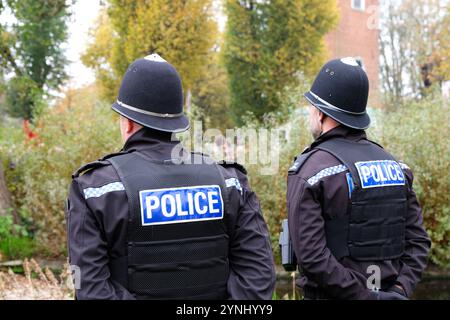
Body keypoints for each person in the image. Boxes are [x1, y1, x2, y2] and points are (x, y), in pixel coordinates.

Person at [66, 54, 276, 300]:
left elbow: (89, 288)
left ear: (129, 124)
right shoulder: (230, 182)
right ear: (176, 122)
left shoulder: (95, 189)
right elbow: (260, 276)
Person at [286, 57, 431, 300]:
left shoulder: (310, 171)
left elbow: (311, 257)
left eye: (311, 106)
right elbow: (418, 242)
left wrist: (367, 296)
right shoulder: (397, 167)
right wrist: (398, 290)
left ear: (320, 113)